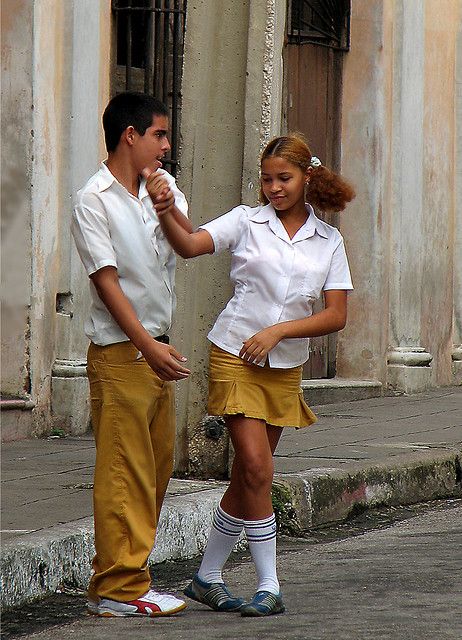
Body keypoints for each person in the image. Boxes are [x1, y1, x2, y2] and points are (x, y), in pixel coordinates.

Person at [147, 132, 355, 617]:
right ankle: (269, 584)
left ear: (308, 177)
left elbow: (336, 314)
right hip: (236, 354)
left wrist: (280, 330)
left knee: (247, 477)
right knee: (259, 469)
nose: (273, 188)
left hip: (283, 366)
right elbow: (192, 243)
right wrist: (165, 210)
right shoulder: (246, 221)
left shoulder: (329, 240)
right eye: (266, 179)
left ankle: (206, 577)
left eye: (283, 178)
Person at [71, 91, 192, 618]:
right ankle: (121, 588)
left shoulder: (162, 191)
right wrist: (148, 348)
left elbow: (187, 242)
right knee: (126, 471)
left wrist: (166, 208)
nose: (165, 147)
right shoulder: (92, 200)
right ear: (131, 135)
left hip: (156, 348)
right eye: (160, 135)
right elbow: (108, 283)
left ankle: (118, 578)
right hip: (123, 352)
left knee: (156, 468)